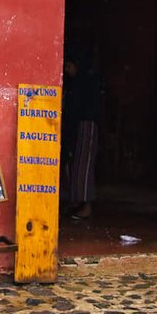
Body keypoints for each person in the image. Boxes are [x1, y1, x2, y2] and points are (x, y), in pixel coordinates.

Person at [61, 44, 101, 220]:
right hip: (77, 126)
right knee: (75, 164)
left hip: (86, 125)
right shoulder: (77, 82)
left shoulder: (85, 83)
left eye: (69, 66)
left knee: (83, 166)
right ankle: (77, 201)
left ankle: (87, 205)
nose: (67, 70)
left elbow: (80, 107)